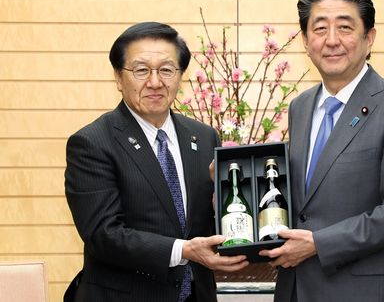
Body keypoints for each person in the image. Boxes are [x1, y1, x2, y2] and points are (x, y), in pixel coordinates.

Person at [259, 0, 384, 301]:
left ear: (369, 38)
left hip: (363, 291)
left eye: (345, 27)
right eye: (320, 28)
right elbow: (306, 197)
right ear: (305, 40)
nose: (332, 39)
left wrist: (318, 244)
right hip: (296, 289)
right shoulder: (300, 106)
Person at [64, 22, 248, 302]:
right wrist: (183, 250)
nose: (155, 82)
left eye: (166, 70)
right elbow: (104, 235)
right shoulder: (92, 143)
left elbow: (204, 224)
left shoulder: (203, 136)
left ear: (180, 76)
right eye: (141, 70)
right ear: (118, 77)